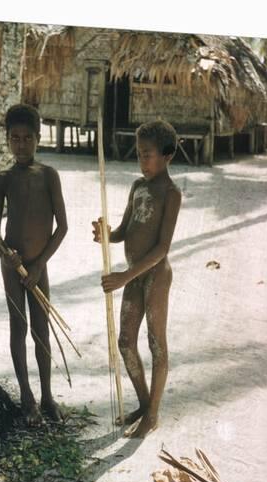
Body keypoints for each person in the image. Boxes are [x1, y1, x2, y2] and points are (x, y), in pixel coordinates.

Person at [92, 120, 182, 438]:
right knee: (125, 341)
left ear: (167, 156)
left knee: (156, 343)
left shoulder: (171, 193)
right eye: (139, 154)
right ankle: (144, 404)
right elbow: (123, 231)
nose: (142, 161)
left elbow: (162, 248)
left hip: (155, 276)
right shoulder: (137, 187)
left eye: (148, 155)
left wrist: (125, 276)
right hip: (133, 276)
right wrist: (106, 235)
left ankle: (153, 414)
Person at [0, 104, 68, 426]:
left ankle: (48, 396)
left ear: (39, 138)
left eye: (27, 138)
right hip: (13, 267)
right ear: (8, 140)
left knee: (41, 332)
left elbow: (62, 226)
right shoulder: (3, 179)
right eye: (15, 138)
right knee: (18, 327)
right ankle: (26, 396)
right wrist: (5, 253)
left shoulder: (49, 176)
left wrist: (39, 265)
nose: (21, 145)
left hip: (39, 267)